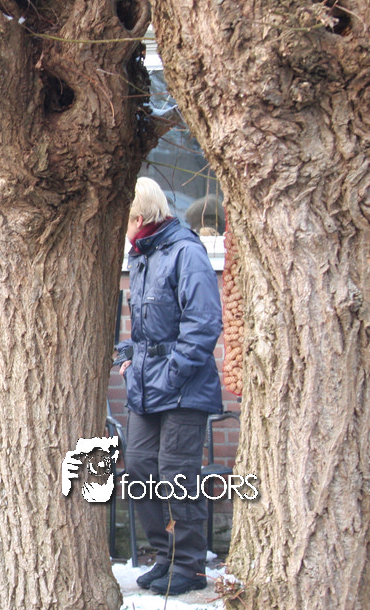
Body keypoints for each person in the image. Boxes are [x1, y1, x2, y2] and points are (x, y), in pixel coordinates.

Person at [115, 176, 223, 596]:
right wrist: (127, 356)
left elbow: (204, 323)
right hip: (146, 387)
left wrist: (173, 373)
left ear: (140, 218)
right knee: (141, 469)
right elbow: (146, 329)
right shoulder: (142, 256)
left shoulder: (186, 252)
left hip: (183, 389)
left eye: (125, 220)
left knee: (177, 474)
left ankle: (190, 565)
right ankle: (165, 556)